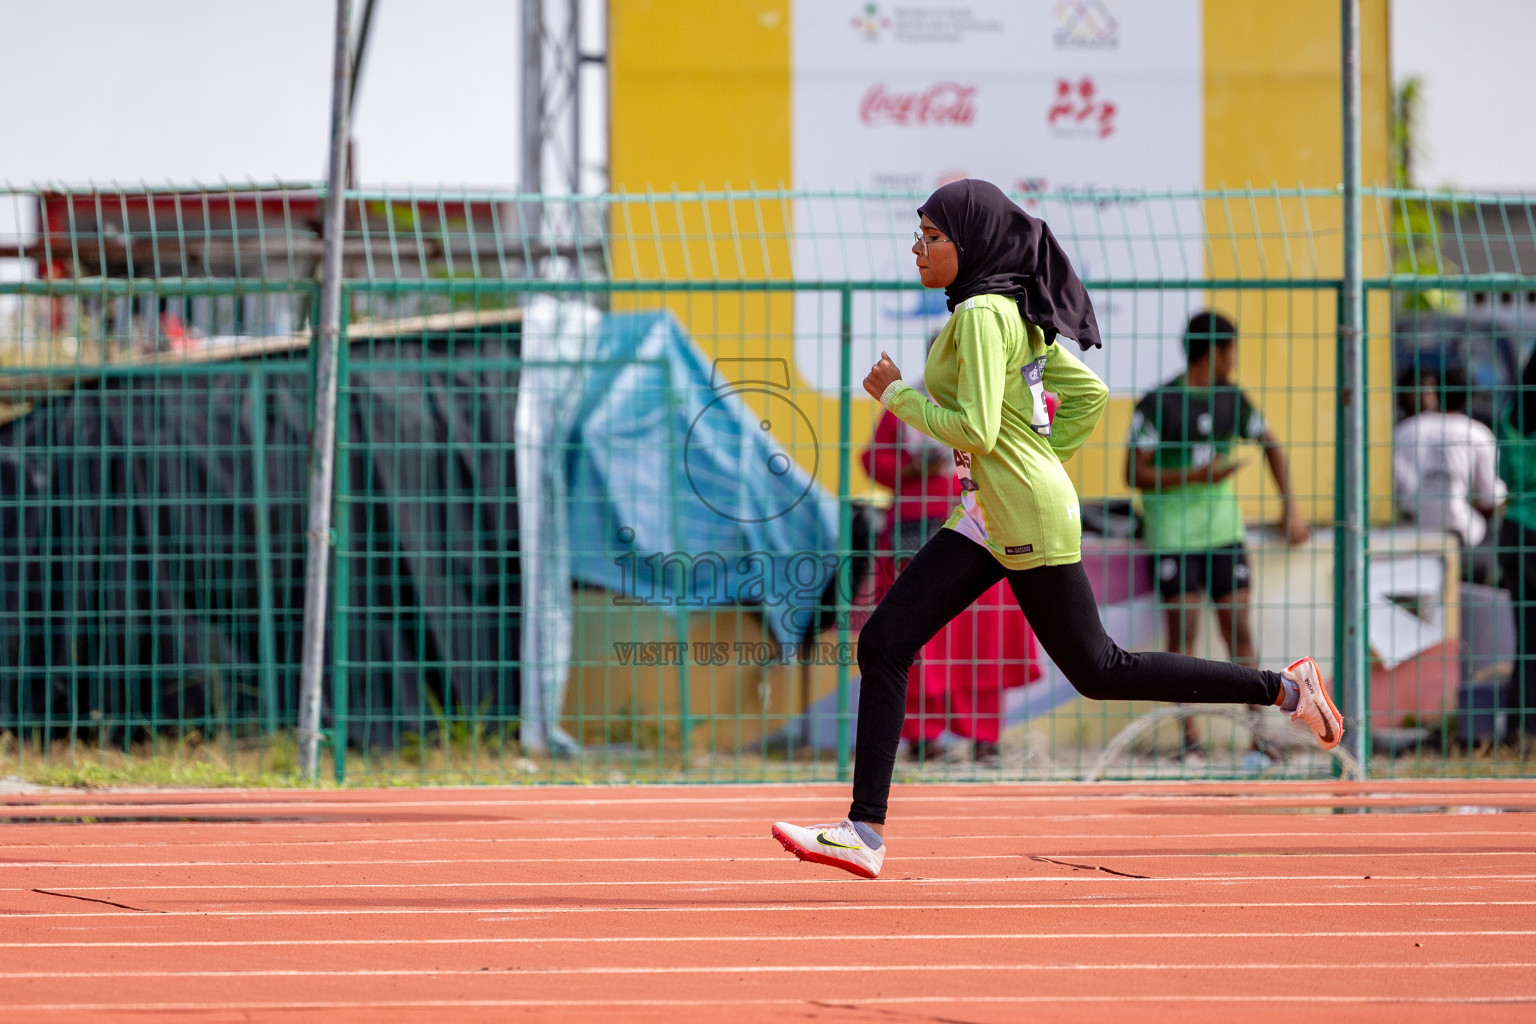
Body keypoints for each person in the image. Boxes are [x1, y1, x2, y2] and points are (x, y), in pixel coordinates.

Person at [770, 179, 1343, 879]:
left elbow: (976, 427)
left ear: (970, 243)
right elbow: (1088, 397)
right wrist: (1029, 460)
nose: (917, 248)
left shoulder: (982, 314)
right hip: (994, 511)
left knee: (1101, 671)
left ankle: (1284, 689)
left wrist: (897, 394)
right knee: (887, 639)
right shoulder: (1012, 310)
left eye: (932, 236)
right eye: (917, 235)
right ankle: (864, 830)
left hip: (1023, 514)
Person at [1126, 312, 1310, 765]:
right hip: (1174, 537)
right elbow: (1133, 472)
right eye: (1231, 349)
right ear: (1215, 350)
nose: (1234, 358)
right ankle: (1191, 743)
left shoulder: (1233, 400)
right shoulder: (1159, 403)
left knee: (1239, 631)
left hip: (1223, 535)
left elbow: (1271, 443)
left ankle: (1259, 737)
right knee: (1183, 637)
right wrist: (1199, 474)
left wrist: (1291, 505)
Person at [860, 364, 1045, 764]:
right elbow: (873, 462)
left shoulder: (997, 394)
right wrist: (914, 469)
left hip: (985, 527)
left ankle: (985, 736)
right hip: (916, 530)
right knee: (915, 635)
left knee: (985, 635)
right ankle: (921, 737)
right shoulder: (906, 399)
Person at [1393, 364, 1505, 584]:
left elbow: (1395, 489)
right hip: (1464, 539)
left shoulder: (1405, 431)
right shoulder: (1478, 434)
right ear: (1471, 396)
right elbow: (1490, 498)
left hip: (1410, 536)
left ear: (1436, 393)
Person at [1496, 352, 1536, 750]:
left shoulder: (1511, 413)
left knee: (1526, 639)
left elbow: (1503, 475)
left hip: (1515, 531)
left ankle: (1518, 731)